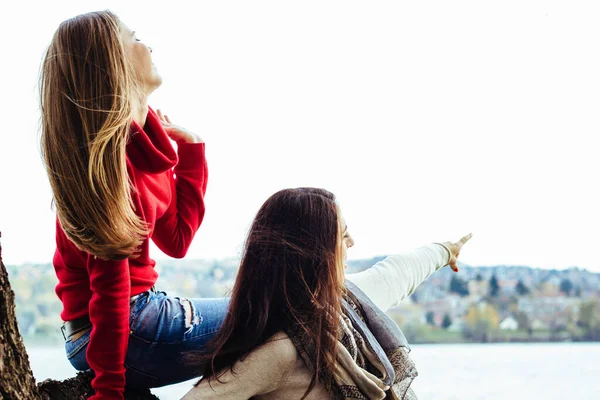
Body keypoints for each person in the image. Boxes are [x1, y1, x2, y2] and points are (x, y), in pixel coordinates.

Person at [40, 11, 228, 399]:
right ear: (115, 64)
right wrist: (109, 390)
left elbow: (177, 239)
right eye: (136, 37)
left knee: (280, 306)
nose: (149, 45)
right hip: (121, 328)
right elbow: (110, 293)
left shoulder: (143, 150)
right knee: (281, 308)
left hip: (128, 325)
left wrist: (191, 151)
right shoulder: (109, 171)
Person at [182, 188, 472, 400]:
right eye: (341, 235)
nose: (352, 242)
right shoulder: (280, 351)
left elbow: (398, 272)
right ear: (315, 251)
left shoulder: (349, 306)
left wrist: (446, 250)